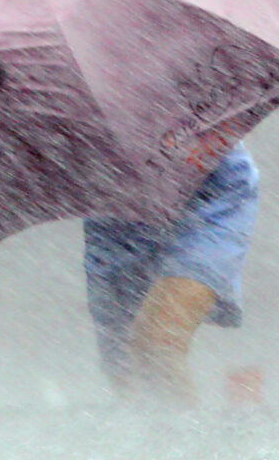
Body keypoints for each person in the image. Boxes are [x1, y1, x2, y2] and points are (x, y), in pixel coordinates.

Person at [81, 139, 258, 406]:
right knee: (126, 371)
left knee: (157, 340)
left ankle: (187, 443)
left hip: (206, 187)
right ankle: (162, 439)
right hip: (112, 205)